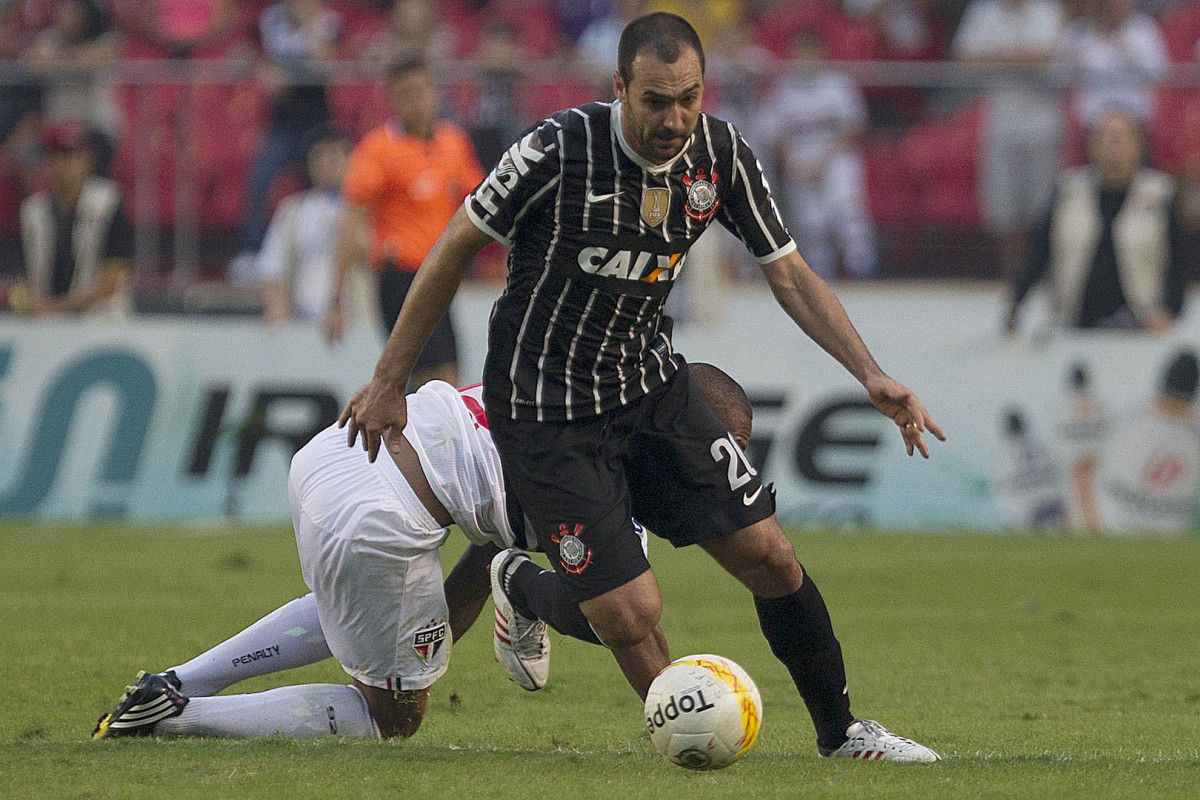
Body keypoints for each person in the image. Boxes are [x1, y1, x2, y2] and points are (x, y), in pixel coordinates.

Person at [340, 13, 944, 761]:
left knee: (771, 558)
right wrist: (389, 377)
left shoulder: (718, 154)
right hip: (545, 415)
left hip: (649, 387)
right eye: (657, 101)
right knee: (631, 611)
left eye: (689, 97)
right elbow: (456, 243)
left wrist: (870, 372)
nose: (675, 118)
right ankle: (525, 583)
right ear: (618, 87)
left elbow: (787, 271)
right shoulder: (557, 150)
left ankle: (843, 734)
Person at [90, 363, 742, 740]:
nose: (715, 472)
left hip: (337, 455)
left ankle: (175, 683)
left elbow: (492, 535)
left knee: (365, 610)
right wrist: (683, 709)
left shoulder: (576, 381)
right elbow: (616, 619)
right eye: (717, 454)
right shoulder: (609, 483)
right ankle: (178, 716)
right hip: (380, 515)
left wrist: (492, 589)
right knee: (394, 716)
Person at [324, 55, 483, 390]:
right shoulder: (377, 149)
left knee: (440, 385)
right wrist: (337, 299)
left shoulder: (452, 142)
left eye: (424, 91)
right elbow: (351, 222)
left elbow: (481, 202)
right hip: (401, 279)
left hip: (441, 277)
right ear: (393, 99)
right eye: (409, 93)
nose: (419, 101)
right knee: (437, 384)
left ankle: (409, 441)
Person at [1005, 109, 1189, 332]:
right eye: (1105, 137)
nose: (1114, 145)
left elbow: (1178, 261)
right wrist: (1017, 302)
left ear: (1139, 145)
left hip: (1140, 322)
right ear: (1091, 145)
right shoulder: (1067, 191)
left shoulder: (1160, 193)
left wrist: (1170, 310)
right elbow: (1039, 252)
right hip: (1074, 320)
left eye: (1122, 137)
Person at [952, 0, 1066, 282]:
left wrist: (996, 59)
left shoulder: (1048, 11)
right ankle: (1013, 280)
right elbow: (965, 58)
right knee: (1003, 214)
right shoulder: (983, 11)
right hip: (1000, 128)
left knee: (1041, 214)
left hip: (1043, 128)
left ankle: (1040, 278)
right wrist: (1022, 59)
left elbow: (1047, 59)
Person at [757, 27, 877, 280]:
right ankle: (825, 282)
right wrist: (790, 162)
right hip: (799, 164)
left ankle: (864, 275)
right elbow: (771, 136)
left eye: (809, 52)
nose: (804, 58)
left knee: (847, 215)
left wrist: (824, 159)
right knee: (812, 227)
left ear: (821, 53)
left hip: (836, 160)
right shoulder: (781, 90)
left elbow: (856, 129)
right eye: (799, 53)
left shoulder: (839, 84)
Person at [233, 0, 342, 273]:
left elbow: (323, 67)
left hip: (317, 123)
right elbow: (250, 56)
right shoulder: (272, 20)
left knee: (322, 189)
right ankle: (252, 251)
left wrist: (308, 25)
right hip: (281, 123)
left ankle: (322, 253)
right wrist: (264, 70)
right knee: (259, 180)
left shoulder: (327, 22)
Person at [10, 121, 132, 316]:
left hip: (100, 322)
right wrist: (32, 303)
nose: (61, 166)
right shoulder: (33, 211)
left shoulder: (108, 203)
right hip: (43, 323)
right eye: (54, 157)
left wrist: (57, 308)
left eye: (70, 157)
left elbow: (113, 279)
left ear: (86, 158)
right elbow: (23, 275)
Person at [1083, 349, 1200, 535]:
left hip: (1127, 537)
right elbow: (1085, 471)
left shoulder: (1128, 421)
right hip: (1126, 537)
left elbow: (1084, 471)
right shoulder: (1129, 423)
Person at [257, 131, 353, 326]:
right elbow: (271, 268)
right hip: (300, 324)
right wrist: (278, 309)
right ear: (310, 164)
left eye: (336, 155)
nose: (329, 162)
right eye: (322, 155)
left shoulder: (365, 211)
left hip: (354, 326)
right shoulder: (292, 210)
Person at [1054, 0, 1168, 130]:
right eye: (1108, 3)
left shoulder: (1144, 28)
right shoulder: (1078, 31)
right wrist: (1074, 61)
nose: (1113, 7)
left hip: (1134, 111)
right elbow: (1057, 74)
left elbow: (1160, 74)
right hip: (1090, 113)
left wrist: (1129, 52)